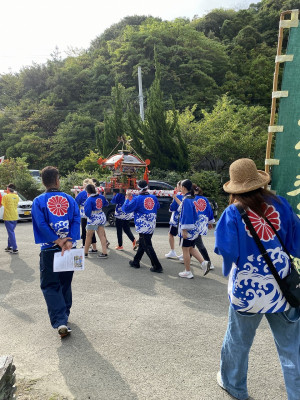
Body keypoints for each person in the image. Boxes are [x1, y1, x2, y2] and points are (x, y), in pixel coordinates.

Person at [214, 158, 300, 400]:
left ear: (235, 188)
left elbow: (227, 251)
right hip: (283, 288)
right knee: (292, 347)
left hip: (248, 290)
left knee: (238, 341)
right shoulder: (281, 205)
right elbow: (297, 243)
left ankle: (235, 386)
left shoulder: (233, 212)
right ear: (260, 182)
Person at [31, 166, 80, 338]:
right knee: (65, 282)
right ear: (58, 180)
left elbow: (41, 224)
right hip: (69, 249)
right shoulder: (69, 199)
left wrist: (57, 240)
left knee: (50, 285)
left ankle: (60, 321)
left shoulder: (38, 201)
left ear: (43, 182)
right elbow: (76, 219)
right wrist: (69, 240)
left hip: (49, 249)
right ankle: (64, 314)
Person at [122, 180, 163, 273]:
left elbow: (126, 209)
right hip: (151, 224)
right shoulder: (153, 197)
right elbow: (158, 207)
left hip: (143, 225)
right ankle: (136, 261)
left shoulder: (137, 199)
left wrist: (127, 199)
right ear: (147, 187)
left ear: (138, 188)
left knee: (147, 245)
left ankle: (157, 265)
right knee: (143, 244)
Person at [177, 179, 211, 279]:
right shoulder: (191, 198)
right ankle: (204, 263)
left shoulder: (187, 199)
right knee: (191, 248)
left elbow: (186, 216)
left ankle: (188, 271)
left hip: (188, 229)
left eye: (181, 187)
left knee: (185, 250)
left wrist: (184, 230)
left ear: (183, 187)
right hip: (194, 229)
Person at [193, 184, 215, 269]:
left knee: (198, 243)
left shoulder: (191, 199)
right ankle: (187, 257)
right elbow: (209, 211)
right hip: (202, 223)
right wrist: (210, 222)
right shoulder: (204, 199)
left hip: (194, 223)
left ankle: (208, 262)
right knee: (193, 242)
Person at [84, 184, 109, 258]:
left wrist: (87, 216)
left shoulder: (89, 199)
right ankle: (104, 252)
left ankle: (85, 252)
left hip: (93, 218)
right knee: (102, 235)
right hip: (101, 215)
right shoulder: (101, 196)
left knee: (89, 236)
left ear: (87, 191)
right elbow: (106, 203)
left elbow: (87, 211)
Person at [75, 178, 98, 252]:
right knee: (92, 230)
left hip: (83, 212)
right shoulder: (95, 192)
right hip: (93, 212)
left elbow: (76, 202)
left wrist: (76, 194)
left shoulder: (82, 193)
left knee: (84, 229)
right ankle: (94, 247)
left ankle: (85, 245)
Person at [165, 181, 182, 259]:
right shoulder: (190, 195)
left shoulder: (178, 196)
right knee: (183, 237)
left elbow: (173, 207)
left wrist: (174, 197)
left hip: (176, 219)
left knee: (171, 234)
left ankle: (173, 251)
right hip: (185, 220)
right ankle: (184, 254)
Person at [2, 183, 19, 254]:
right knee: (11, 232)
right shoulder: (16, 196)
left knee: (11, 232)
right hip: (15, 216)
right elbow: (13, 195)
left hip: (8, 217)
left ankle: (14, 248)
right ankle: (9, 246)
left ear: (8, 189)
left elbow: (2, 204)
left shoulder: (6, 197)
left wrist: (6, 192)